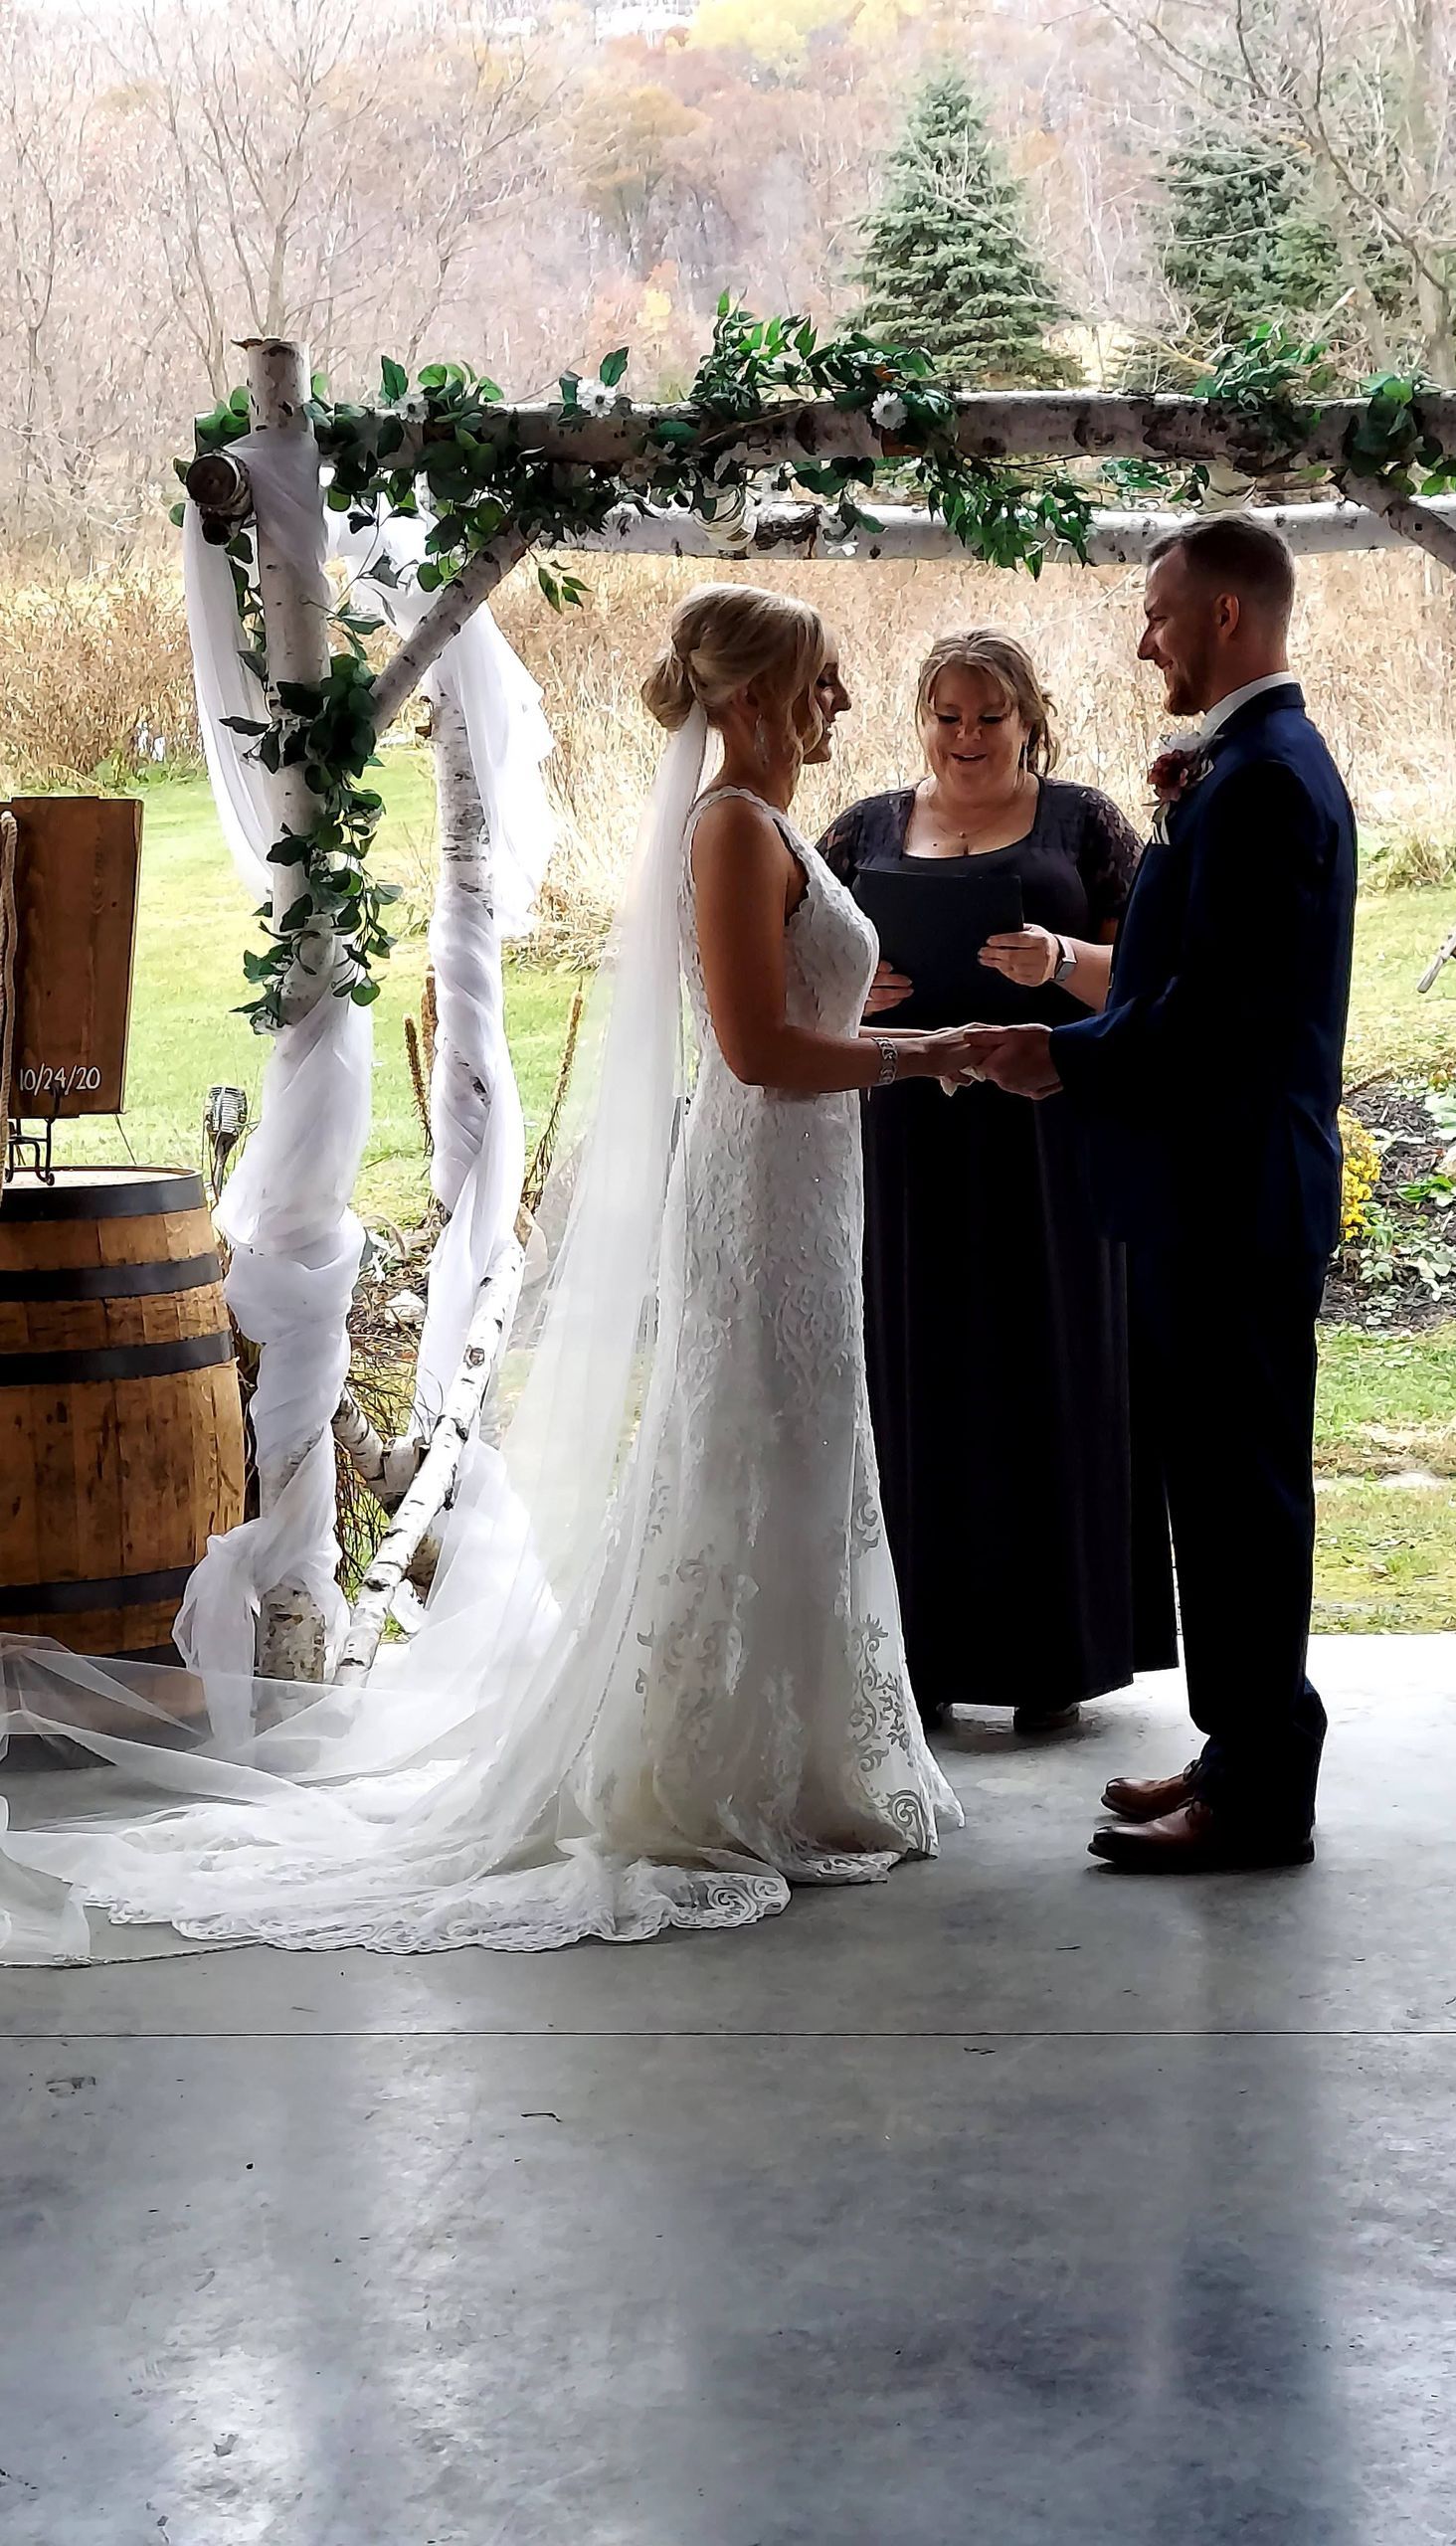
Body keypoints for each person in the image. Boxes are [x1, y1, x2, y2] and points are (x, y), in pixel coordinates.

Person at [0, 585, 972, 1959]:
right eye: (822, 678)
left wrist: (860, 1017)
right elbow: (753, 1053)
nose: (844, 703)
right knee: (754, 1447)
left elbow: (777, 1000)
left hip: (808, 1186)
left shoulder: (765, 826)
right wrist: (923, 1057)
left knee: (807, 1448)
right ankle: (719, 1760)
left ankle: (807, 1747)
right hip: (764, 1186)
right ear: (749, 700)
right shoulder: (730, 828)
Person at [973, 514, 1358, 1873]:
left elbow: (1217, 1018)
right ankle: (1235, 1748)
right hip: (1222, 1190)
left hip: (1233, 1195)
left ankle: (1258, 1798)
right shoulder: (1250, 764)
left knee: (1243, 1500)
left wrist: (1056, 1056)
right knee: (1222, 1492)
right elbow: (1185, 967)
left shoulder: (1259, 780)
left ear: (1227, 621)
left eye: (1158, 614)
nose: (1143, 638)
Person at [818, 628, 1176, 1735]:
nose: (967, 737)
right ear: (920, 718)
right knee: (911, 1372)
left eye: (989, 716)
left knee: (1044, 1369)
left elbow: (1161, 974)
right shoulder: (864, 827)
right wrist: (852, 990)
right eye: (947, 715)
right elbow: (782, 973)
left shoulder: (1089, 826)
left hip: (1045, 1132)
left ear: (1029, 718)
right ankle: (914, 1652)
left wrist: (1060, 963)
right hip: (905, 1136)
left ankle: (1049, 1655)